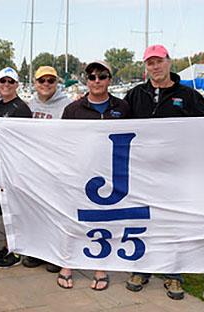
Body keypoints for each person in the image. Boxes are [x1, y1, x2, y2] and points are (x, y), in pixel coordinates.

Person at [123, 44, 204, 300]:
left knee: (173, 223)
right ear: (146, 66)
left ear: (169, 62)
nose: (155, 67)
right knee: (143, 220)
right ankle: (142, 268)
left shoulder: (187, 95)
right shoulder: (135, 95)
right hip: (142, 172)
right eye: (150, 63)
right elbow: (115, 122)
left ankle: (174, 274)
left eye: (159, 61)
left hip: (176, 173)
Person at [59, 60, 131, 291]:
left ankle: (101, 266)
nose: (97, 81)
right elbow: (60, 141)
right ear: (86, 80)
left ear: (110, 79)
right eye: (92, 77)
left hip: (113, 173)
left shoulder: (123, 107)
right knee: (73, 217)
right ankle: (67, 263)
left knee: (105, 219)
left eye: (102, 76)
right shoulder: (73, 109)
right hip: (80, 172)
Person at [22, 65, 70, 273]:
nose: (46, 85)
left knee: (56, 212)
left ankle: (57, 254)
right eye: (42, 81)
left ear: (57, 83)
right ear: (35, 83)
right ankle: (37, 251)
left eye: (51, 81)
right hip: (34, 168)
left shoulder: (67, 106)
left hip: (57, 168)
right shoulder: (29, 105)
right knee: (36, 210)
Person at [0, 67, 32, 269]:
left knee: (14, 209)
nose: (6, 85)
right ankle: (8, 244)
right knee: (2, 207)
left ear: (17, 85)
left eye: (10, 82)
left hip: (14, 167)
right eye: (2, 81)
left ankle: (16, 250)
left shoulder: (21, 108)